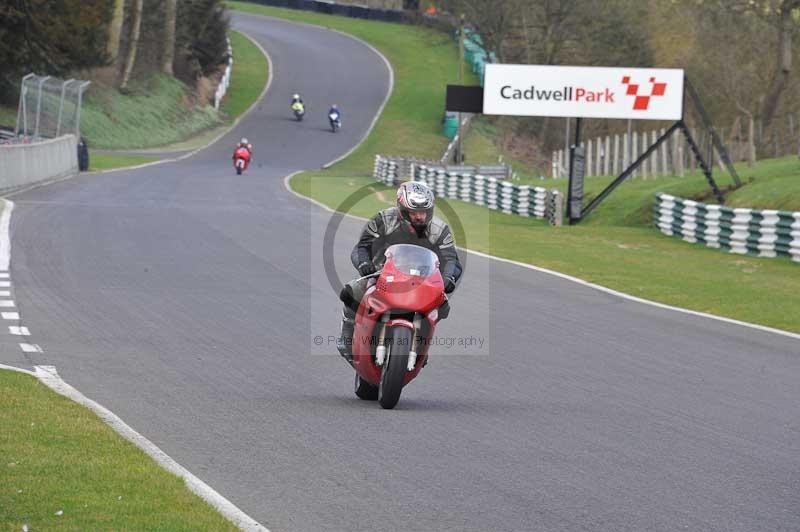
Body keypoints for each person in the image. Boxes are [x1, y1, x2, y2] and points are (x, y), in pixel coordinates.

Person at [336, 181, 462, 362]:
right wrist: (364, 264)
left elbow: (452, 260)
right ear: (402, 209)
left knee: (443, 307)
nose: (419, 217)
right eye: (414, 212)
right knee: (351, 292)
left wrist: (448, 278)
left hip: (423, 279)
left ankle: (420, 345)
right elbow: (361, 247)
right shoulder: (384, 220)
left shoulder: (439, 230)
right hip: (383, 273)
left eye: (423, 212)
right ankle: (346, 337)